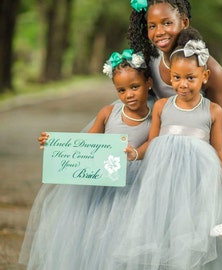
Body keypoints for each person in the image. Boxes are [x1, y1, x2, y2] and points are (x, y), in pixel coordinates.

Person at [106, 31, 222, 270]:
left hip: (196, 175)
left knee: (190, 224)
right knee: (160, 221)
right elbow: (152, 142)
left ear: (204, 76)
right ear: (170, 78)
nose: (183, 84)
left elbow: (219, 148)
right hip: (162, 174)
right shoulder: (162, 106)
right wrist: (135, 153)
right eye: (177, 77)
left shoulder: (212, 111)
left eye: (190, 78)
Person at [18, 49, 153, 270]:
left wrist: (136, 153)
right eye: (121, 90)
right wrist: (55, 145)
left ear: (148, 83)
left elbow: (154, 142)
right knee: (99, 231)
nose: (128, 94)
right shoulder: (109, 113)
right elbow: (86, 145)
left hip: (135, 184)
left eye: (134, 87)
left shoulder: (155, 114)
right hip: (104, 186)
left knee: (127, 232)